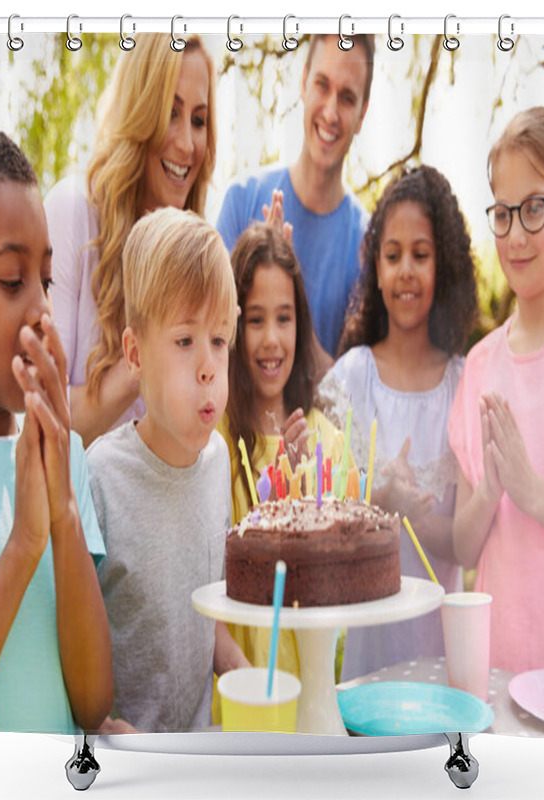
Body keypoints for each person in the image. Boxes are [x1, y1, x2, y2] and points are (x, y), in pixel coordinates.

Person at [0, 119, 113, 734]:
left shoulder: (61, 453)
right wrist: (22, 547)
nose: (42, 310)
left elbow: (93, 702)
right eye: (13, 282)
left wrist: (64, 515)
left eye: (45, 281)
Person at [86, 208, 249, 733]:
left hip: (196, 764)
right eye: (185, 341)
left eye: (219, 341)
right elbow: (66, 642)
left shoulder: (219, 459)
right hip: (122, 771)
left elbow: (204, 616)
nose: (208, 365)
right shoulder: (100, 479)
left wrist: (247, 675)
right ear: (134, 354)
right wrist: (99, 726)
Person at [318, 165, 477, 679]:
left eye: (421, 255)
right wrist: (379, 504)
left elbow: (462, 545)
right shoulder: (350, 381)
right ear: (376, 269)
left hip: (441, 660)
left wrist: (413, 513)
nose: (406, 269)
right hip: (367, 663)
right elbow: (323, 525)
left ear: (444, 265)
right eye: (393, 256)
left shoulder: (463, 385)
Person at [448, 107, 544, 674]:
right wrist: (491, 494)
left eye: (534, 210)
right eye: (503, 215)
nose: (517, 237)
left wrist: (532, 494)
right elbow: (462, 547)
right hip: (499, 675)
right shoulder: (481, 365)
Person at [45, 33, 217, 447]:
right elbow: (46, 415)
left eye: (198, 120)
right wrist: (144, 360)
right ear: (140, 113)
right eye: (169, 114)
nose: (187, 143)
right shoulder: (73, 213)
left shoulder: (193, 253)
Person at [214, 222, 347, 710]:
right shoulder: (214, 444)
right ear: (231, 327)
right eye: (254, 320)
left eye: (284, 318)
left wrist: (306, 513)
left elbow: (338, 607)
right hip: (234, 697)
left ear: (302, 325)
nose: (271, 339)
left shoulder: (327, 445)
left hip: (310, 699)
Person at [216, 33, 375, 367]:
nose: (330, 112)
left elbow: (348, 395)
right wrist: (255, 268)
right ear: (303, 83)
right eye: (322, 85)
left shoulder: (368, 246)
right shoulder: (241, 200)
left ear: (363, 114)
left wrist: (292, 290)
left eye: (347, 97)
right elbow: (212, 348)